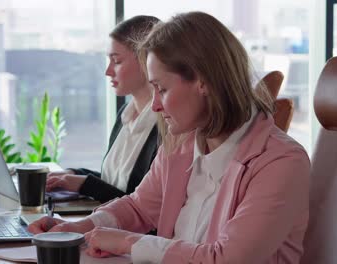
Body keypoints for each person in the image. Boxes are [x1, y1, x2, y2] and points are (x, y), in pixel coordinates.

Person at [29, 11, 310, 264]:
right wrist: (82, 228)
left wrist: (128, 242)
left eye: (161, 89)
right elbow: (139, 207)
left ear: (203, 82)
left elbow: (227, 259)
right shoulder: (182, 144)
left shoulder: (281, 161)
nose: (154, 106)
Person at [46, 15, 160, 203]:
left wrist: (84, 184)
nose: (108, 71)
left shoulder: (166, 127)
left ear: (145, 61)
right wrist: (74, 175)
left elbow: (140, 207)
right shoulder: (125, 115)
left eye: (117, 61)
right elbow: (114, 183)